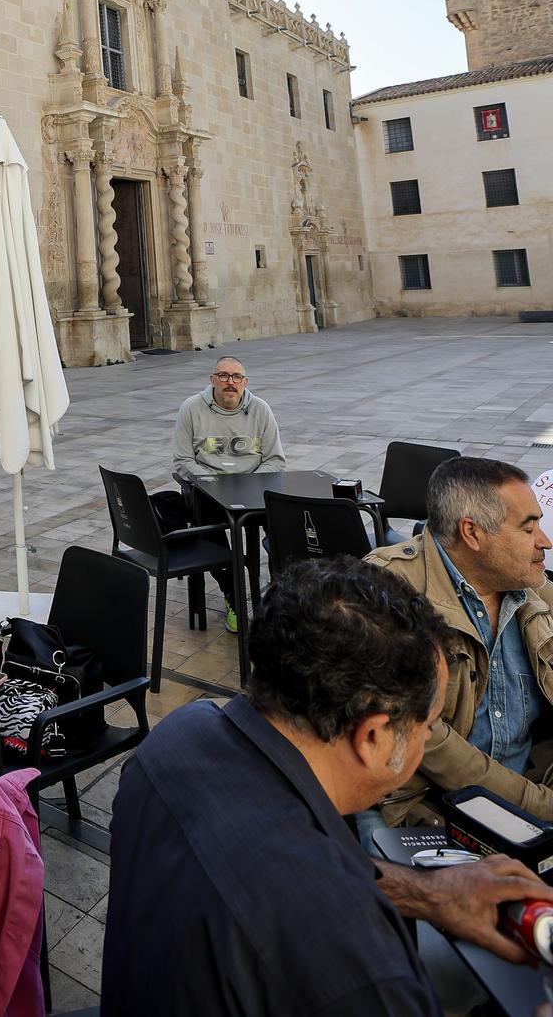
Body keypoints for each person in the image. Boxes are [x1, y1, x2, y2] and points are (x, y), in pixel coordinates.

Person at [101, 556, 553, 1016]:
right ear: (374, 737)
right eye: (430, 725)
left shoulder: (176, 739)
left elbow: (295, 871)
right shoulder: (362, 968)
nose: (427, 740)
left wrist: (425, 892)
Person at [367, 455, 553, 826]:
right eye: (528, 528)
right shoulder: (386, 593)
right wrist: (540, 806)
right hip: (427, 811)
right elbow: (424, 736)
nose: (545, 542)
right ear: (472, 533)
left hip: (531, 793)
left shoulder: (533, 591)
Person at [159, 358, 285, 632]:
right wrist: (211, 482)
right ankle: (234, 597)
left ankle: (280, 597)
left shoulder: (261, 409)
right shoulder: (192, 408)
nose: (231, 382)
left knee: (285, 524)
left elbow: (276, 460)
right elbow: (182, 459)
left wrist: (249, 483)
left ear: (245, 383)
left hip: (252, 487)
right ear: (212, 379)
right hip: (209, 488)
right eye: (224, 376)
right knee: (208, 523)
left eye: (237, 377)